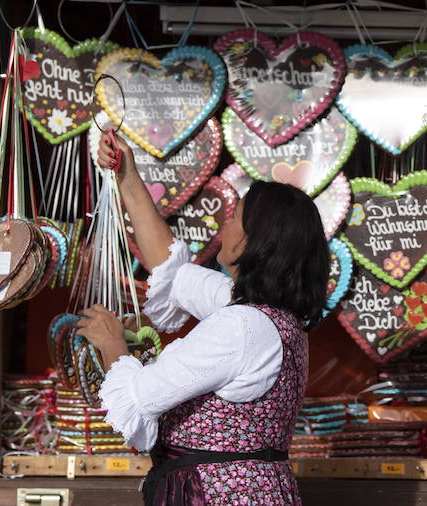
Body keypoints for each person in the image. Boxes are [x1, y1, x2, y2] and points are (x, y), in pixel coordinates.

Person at [75, 129, 330, 505]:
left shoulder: (242, 327)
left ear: (253, 242)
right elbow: (171, 270)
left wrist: (112, 343)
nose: (225, 228)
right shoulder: (269, 317)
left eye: (235, 219)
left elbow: (138, 398)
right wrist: (126, 175)